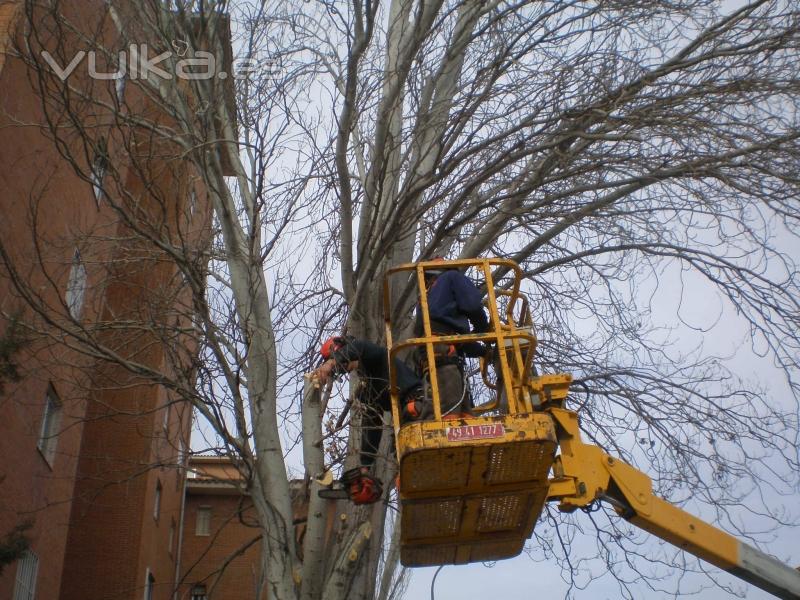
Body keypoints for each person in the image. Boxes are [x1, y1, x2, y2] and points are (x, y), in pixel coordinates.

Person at [312, 336, 424, 504]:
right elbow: (372, 424)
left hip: (420, 404)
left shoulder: (373, 357)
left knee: (411, 420)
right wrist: (365, 466)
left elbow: (361, 346)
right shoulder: (367, 385)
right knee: (404, 463)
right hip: (404, 422)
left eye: (337, 360)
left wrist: (330, 363)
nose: (339, 368)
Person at [414, 260, 491, 416]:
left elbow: (457, 340)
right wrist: (484, 331)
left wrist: (483, 351)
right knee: (450, 417)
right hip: (444, 353)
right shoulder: (452, 277)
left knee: (462, 412)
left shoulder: (425, 299)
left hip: (435, 352)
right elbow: (472, 306)